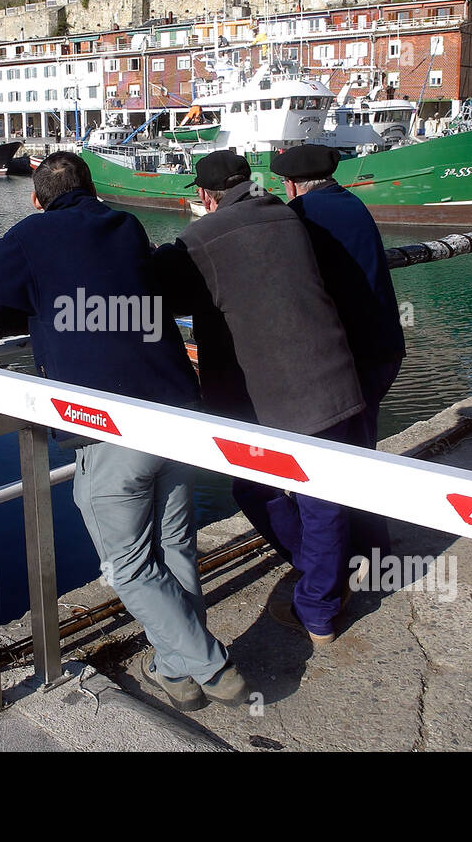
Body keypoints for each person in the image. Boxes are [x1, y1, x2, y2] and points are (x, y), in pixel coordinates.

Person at [0, 152, 247, 712]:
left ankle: (212, 666)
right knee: (173, 545)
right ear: (91, 190)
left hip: (113, 424)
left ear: (37, 198)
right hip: (179, 409)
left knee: (127, 565)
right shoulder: (128, 226)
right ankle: (175, 671)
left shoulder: (30, 235)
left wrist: (38, 304)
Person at [152, 150, 366, 645]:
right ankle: (321, 599)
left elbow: (160, 287)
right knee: (322, 498)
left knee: (255, 488)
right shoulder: (289, 216)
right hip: (332, 376)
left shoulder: (202, 237)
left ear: (206, 196)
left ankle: (316, 594)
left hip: (266, 397)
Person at [271, 144, 406, 560]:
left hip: (347, 358)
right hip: (383, 347)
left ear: (292, 184)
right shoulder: (354, 204)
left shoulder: (302, 216)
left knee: (329, 466)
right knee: (360, 451)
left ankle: (344, 560)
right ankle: (373, 548)